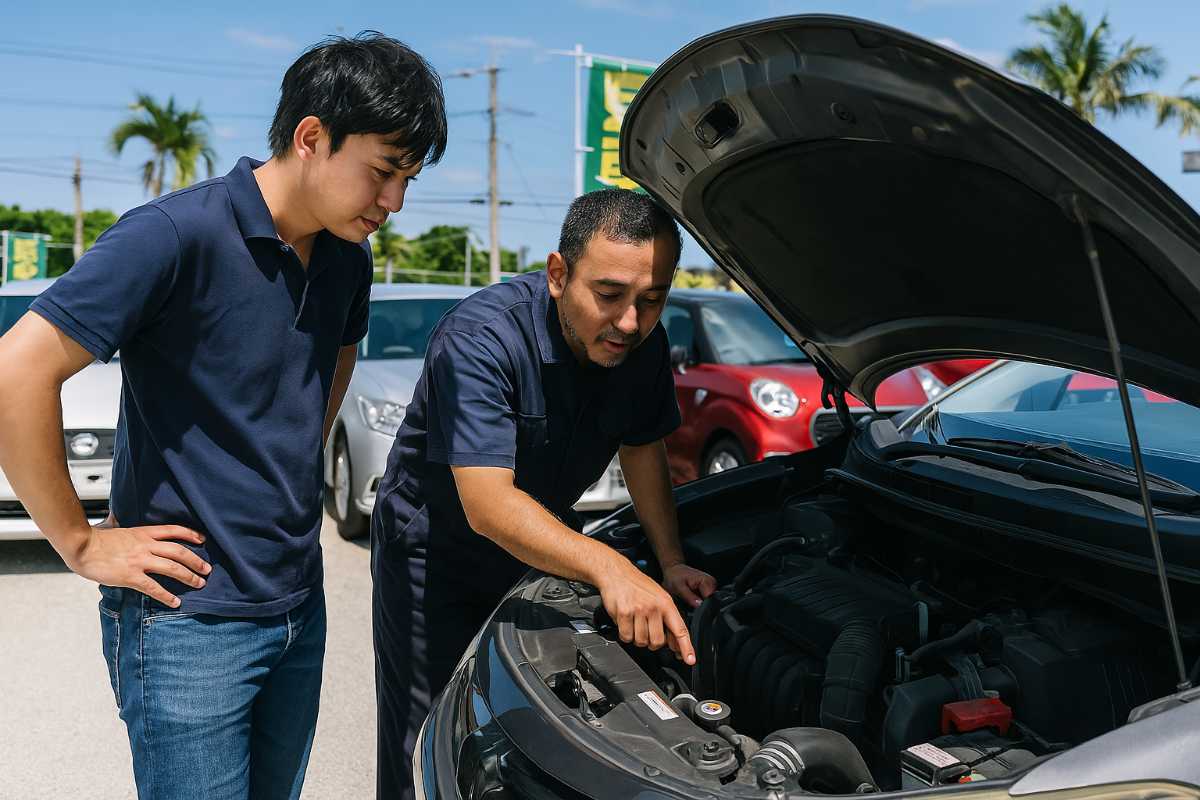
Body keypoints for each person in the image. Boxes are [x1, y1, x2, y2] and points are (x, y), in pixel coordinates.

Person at [0, 32, 446, 800]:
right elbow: (17, 368)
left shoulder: (347, 257)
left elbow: (335, 358)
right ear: (311, 136)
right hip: (186, 622)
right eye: (382, 172)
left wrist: (292, 457)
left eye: (408, 180)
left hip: (298, 604)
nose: (394, 203)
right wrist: (79, 542)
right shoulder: (174, 234)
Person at [371, 188, 718, 799]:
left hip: (542, 547)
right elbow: (488, 504)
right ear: (559, 275)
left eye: (652, 300)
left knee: (531, 727)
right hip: (435, 556)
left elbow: (642, 448)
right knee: (425, 737)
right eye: (609, 295)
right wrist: (611, 568)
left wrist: (669, 563)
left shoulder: (643, 344)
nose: (630, 323)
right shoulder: (480, 339)